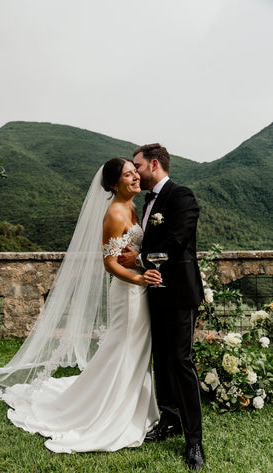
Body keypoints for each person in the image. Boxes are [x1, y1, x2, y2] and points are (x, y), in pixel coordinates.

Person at [0, 157, 162, 453]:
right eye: (128, 175)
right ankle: (110, 410)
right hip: (127, 292)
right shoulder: (114, 213)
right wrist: (139, 280)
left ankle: (135, 406)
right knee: (123, 347)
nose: (136, 177)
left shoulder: (133, 207)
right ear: (114, 183)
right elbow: (109, 264)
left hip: (138, 289)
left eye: (135, 172)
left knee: (135, 349)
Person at [118, 144, 205, 470]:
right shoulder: (145, 201)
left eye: (137, 166)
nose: (135, 171)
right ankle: (169, 420)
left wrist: (139, 259)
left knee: (181, 361)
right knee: (162, 359)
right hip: (153, 291)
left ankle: (194, 441)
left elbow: (178, 240)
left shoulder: (182, 196)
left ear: (154, 164)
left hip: (180, 292)